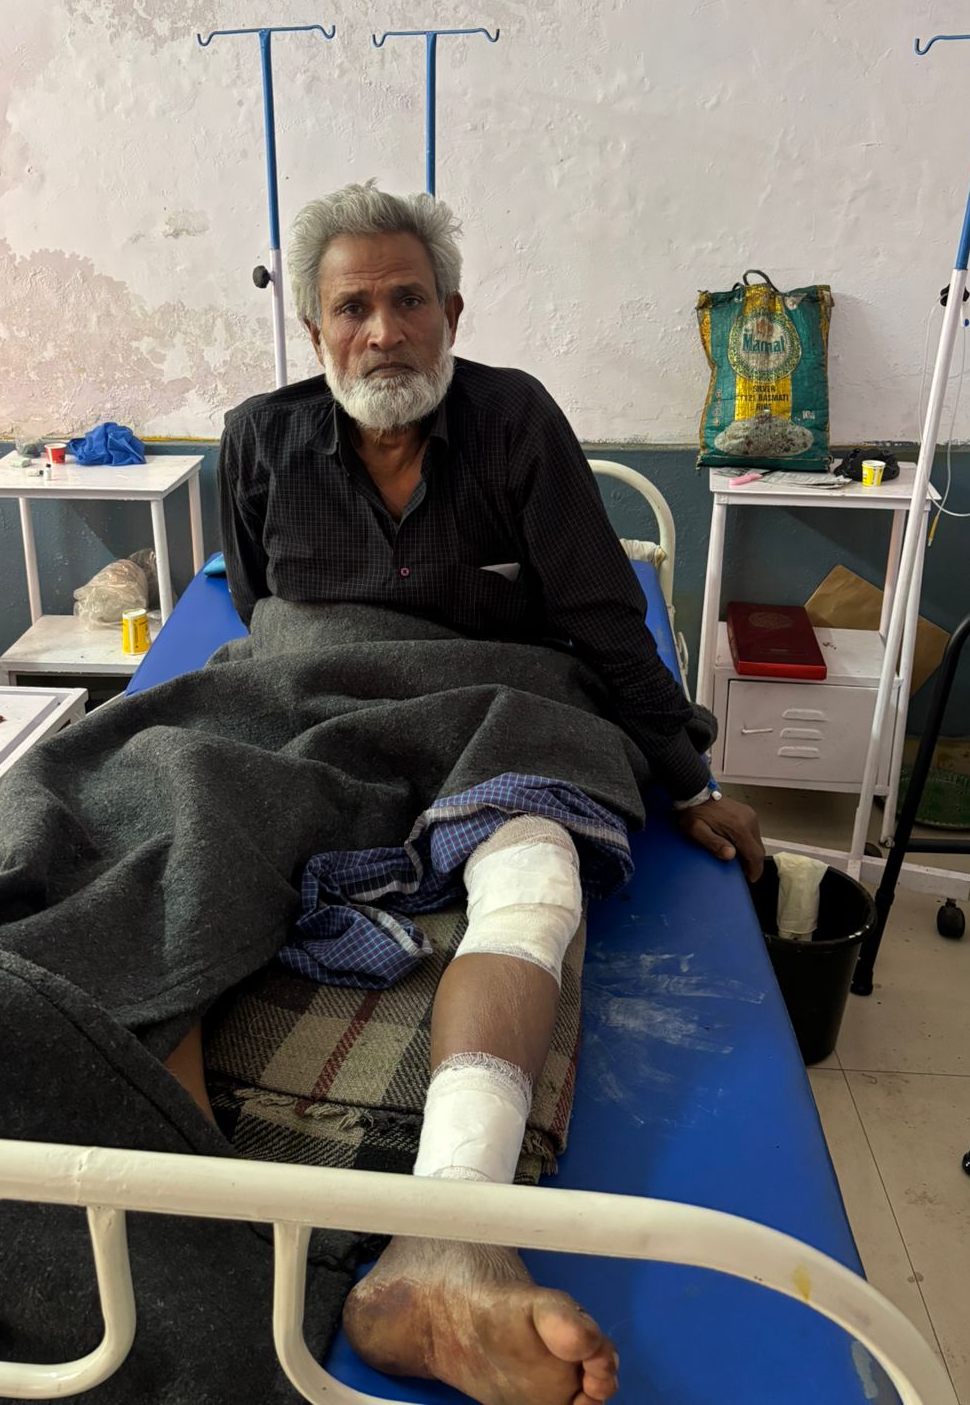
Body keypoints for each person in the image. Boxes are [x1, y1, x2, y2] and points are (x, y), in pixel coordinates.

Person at [197, 182, 766, 1405]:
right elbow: (257, 610)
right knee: (172, 811)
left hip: (502, 706)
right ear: (315, 331)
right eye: (354, 308)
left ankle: (447, 1241)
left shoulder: (517, 426)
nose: (384, 332)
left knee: (536, 866)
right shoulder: (257, 441)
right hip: (316, 705)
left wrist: (688, 777)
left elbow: (604, 619)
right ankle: (170, 1167)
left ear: (452, 312)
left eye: (409, 300)